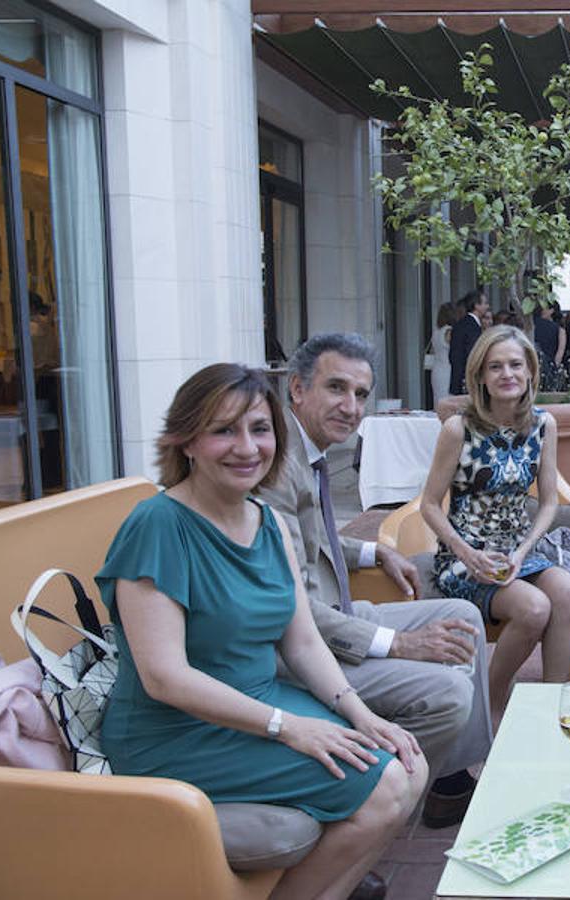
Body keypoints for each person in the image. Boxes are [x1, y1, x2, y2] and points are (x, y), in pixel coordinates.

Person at [99, 363, 426, 900]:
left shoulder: (266, 521)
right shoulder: (156, 525)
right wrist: (288, 727)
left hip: (261, 706)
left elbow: (300, 641)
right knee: (387, 784)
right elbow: (164, 678)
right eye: (223, 430)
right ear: (186, 441)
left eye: (259, 429)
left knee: (409, 764)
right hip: (175, 731)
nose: (246, 448)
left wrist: (360, 713)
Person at [260, 333, 492, 832]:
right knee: (449, 690)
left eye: (361, 394)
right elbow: (291, 610)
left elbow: (308, 541)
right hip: (299, 649)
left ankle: (449, 783)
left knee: (464, 616)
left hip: (337, 614)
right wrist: (403, 643)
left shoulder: (310, 454)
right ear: (297, 390)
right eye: (336, 388)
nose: (351, 406)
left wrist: (374, 549)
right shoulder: (274, 465)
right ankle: (370, 810)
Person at [421, 326, 570, 720]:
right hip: (466, 556)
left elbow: (547, 503)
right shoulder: (458, 429)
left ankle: (554, 709)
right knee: (533, 608)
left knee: (564, 588)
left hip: (518, 550)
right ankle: (491, 703)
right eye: (495, 367)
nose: (506, 374)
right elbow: (428, 505)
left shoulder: (544, 425)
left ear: (530, 372)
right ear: (480, 376)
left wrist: (525, 549)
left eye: (515, 365)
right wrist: (468, 553)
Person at [449, 289, 489, 395]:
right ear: (476, 305)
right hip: (467, 378)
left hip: (458, 375)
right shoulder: (472, 326)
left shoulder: (461, 323)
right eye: (485, 303)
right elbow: (473, 353)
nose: (487, 306)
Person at [428, 302, 459, 405]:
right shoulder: (450, 331)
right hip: (448, 369)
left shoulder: (436, 332)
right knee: (448, 400)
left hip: (437, 369)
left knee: (438, 398)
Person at [531, 302, 565, 384]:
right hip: (549, 366)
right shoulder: (560, 329)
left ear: (552, 310)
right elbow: (559, 354)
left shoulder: (531, 325)